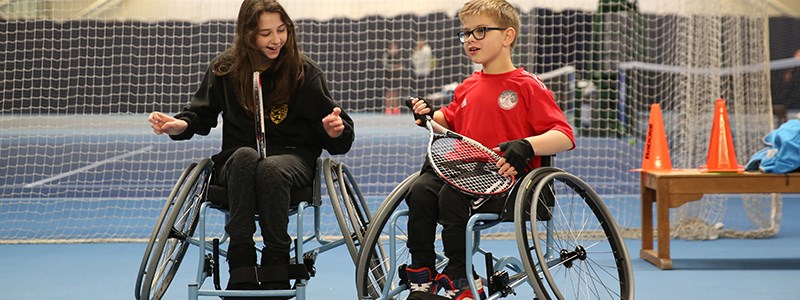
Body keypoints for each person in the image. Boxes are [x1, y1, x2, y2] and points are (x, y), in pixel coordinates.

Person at [147, 0, 354, 298]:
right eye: (265, 33)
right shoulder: (225, 69)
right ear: (248, 35)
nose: (275, 40)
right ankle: (240, 257)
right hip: (238, 162)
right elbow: (199, 115)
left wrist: (334, 129)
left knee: (270, 167)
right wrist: (179, 125)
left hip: (292, 159)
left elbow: (339, 130)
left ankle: (276, 258)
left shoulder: (303, 72)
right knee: (246, 156)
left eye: (281, 30)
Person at [404, 0, 575, 299]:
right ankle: (423, 270)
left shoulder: (528, 85)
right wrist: (428, 116)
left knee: (450, 196)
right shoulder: (468, 85)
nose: (470, 39)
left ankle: (460, 276)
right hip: (466, 173)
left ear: (508, 36)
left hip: (509, 182)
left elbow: (564, 135)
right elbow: (448, 121)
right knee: (419, 190)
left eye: (480, 31)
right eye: (466, 33)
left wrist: (527, 145)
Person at [384, 41, 404, 115]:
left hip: (396, 77)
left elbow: (402, 65)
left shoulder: (398, 57)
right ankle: (388, 109)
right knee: (389, 93)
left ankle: (395, 109)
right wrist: (396, 67)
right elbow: (386, 65)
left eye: (396, 48)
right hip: (388, 77)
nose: (394, 49)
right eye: (393, 48)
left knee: (395, 93)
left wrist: (399, 67)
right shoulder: (386, 56)